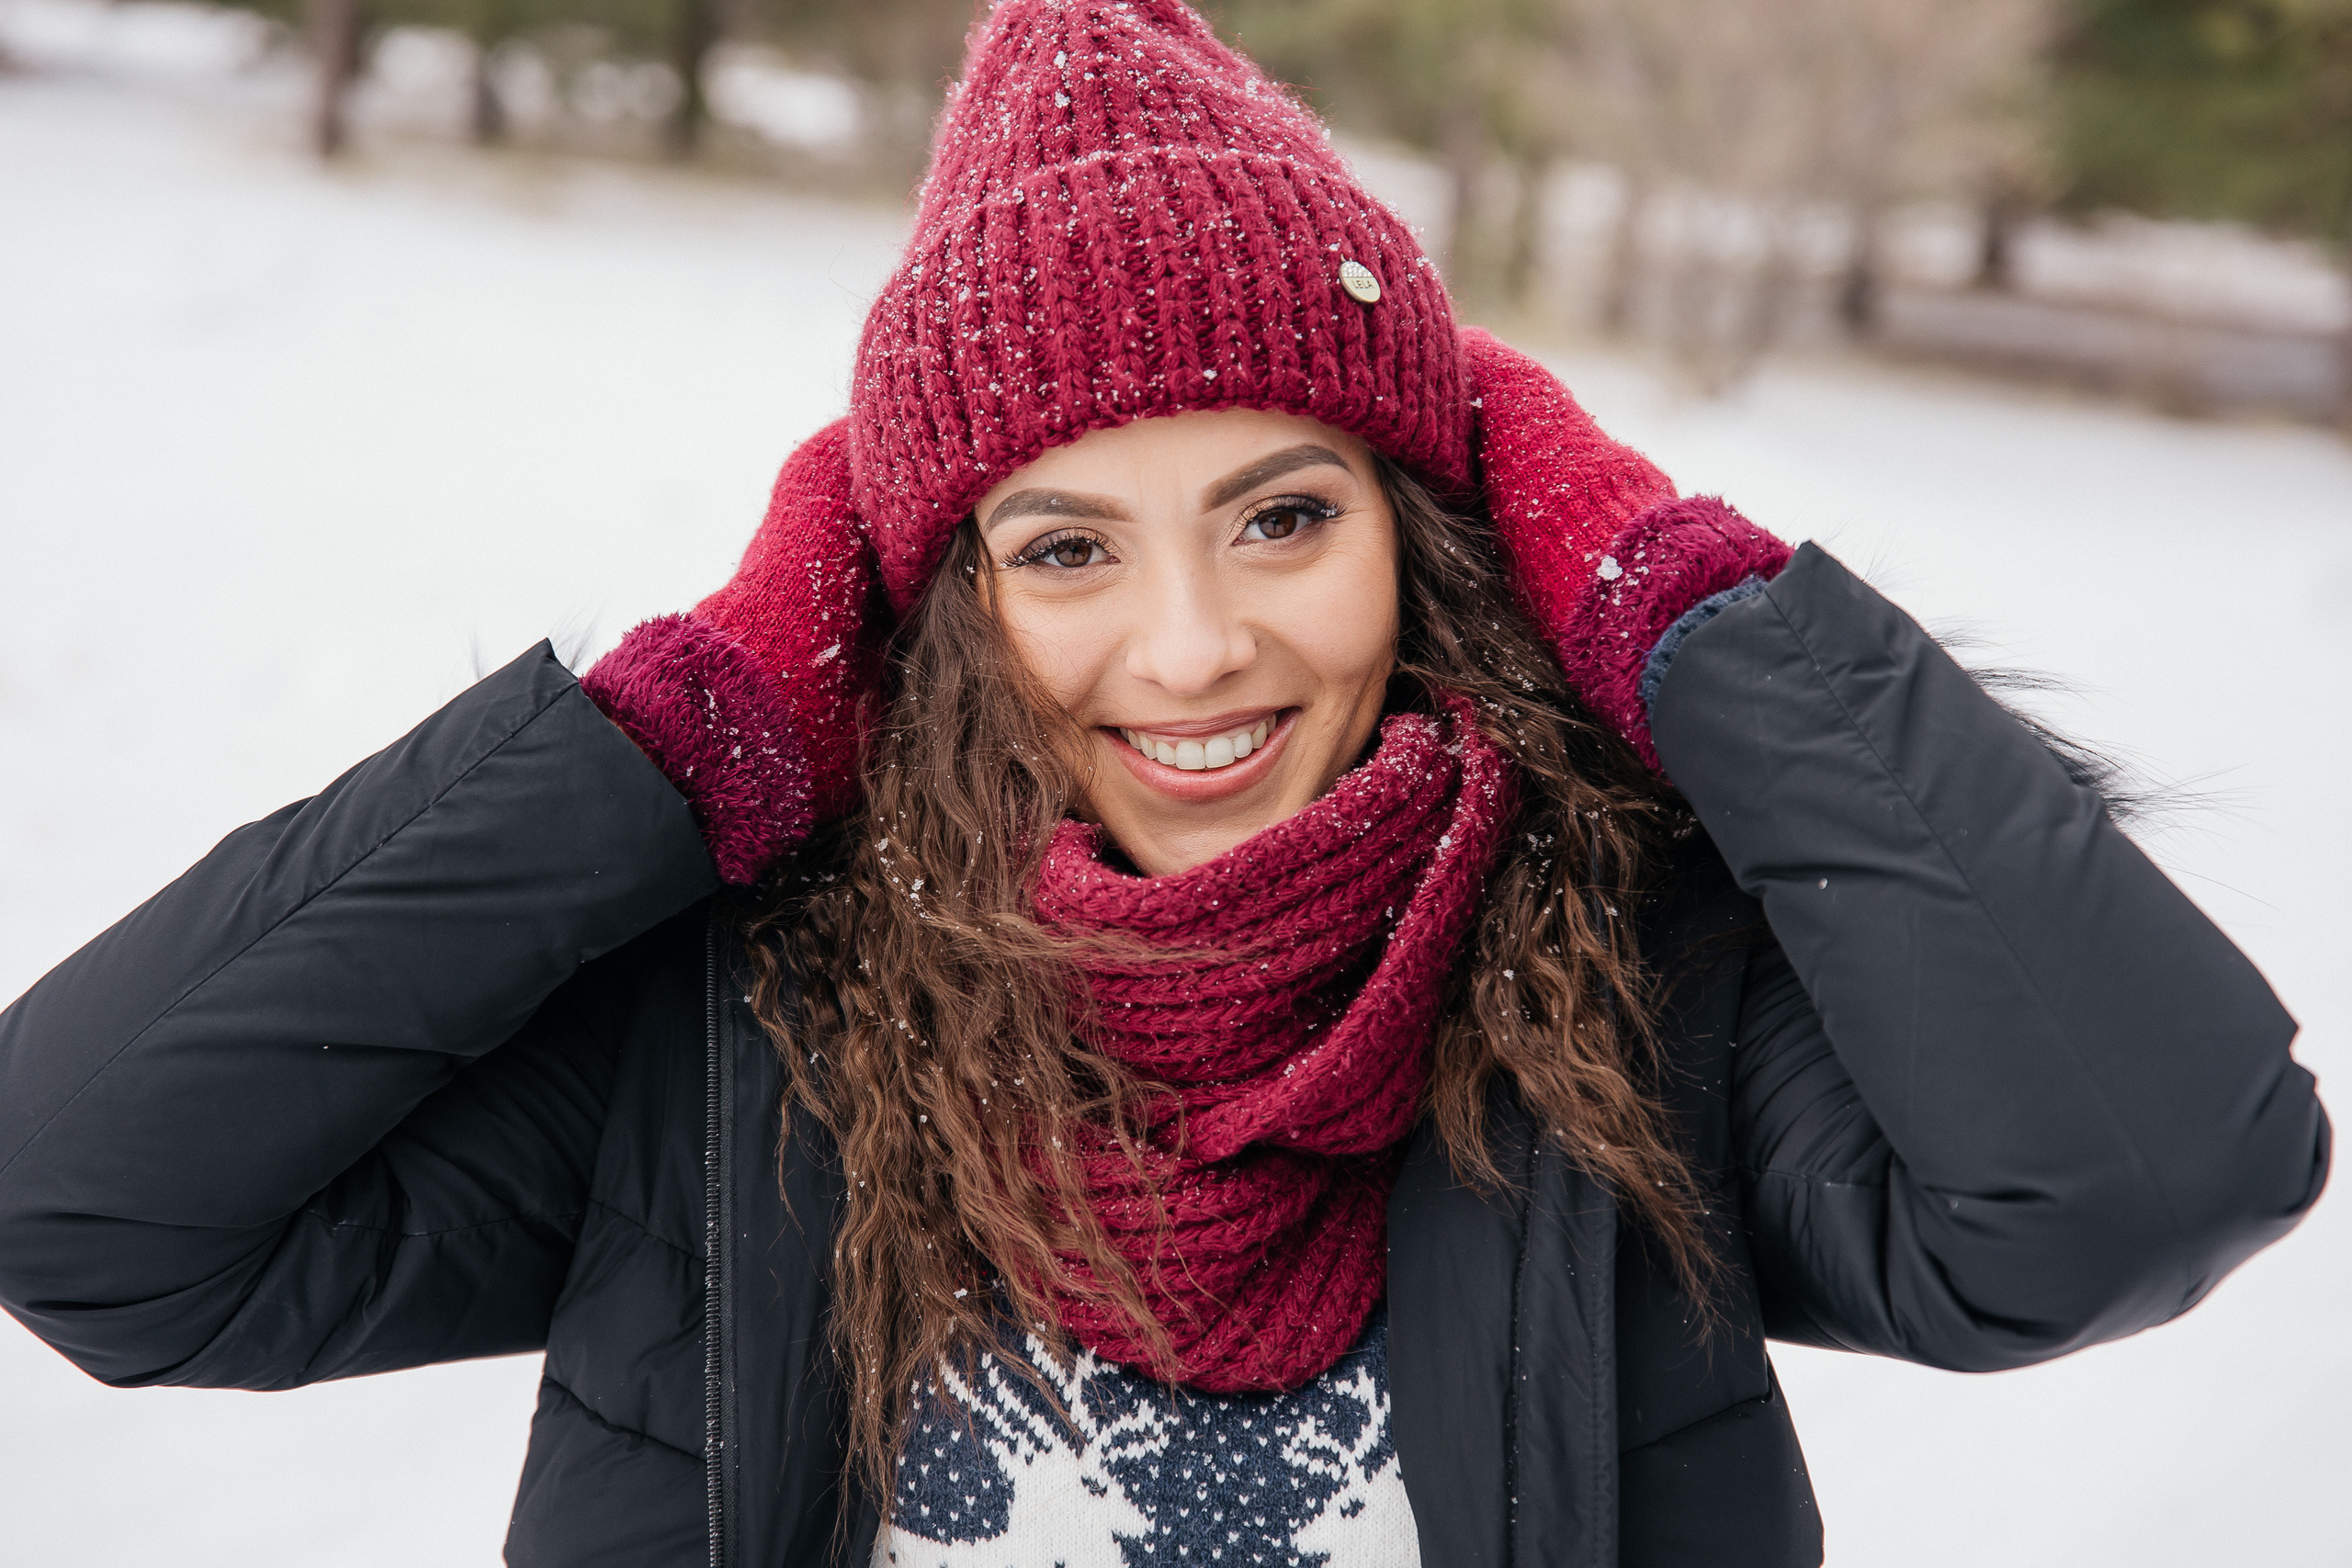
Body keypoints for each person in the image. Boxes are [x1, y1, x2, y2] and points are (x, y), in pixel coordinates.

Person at [0, 2, 2327, 1564]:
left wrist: (1677, 599)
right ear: (926, 608)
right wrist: (677, 731)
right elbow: (86, 1201)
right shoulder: (737, 1018)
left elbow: (2132, 1182)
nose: (1194, 646)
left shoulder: (1639, 991)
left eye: (1285, 514)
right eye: (1061, 545)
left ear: (1430, 530)